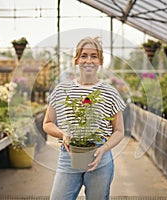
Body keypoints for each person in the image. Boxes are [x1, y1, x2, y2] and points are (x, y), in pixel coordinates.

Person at [43, 36, 126, 200]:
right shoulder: (62, 90)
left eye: (94, 56)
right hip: (68, 155)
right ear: (76, 60)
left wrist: (103, 149)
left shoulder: (109, 92)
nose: (89, 60)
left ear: (100, 61)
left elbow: (119, 131)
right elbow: (47, 123)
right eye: (84, 55)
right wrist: (63, 135)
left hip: (100, 157)